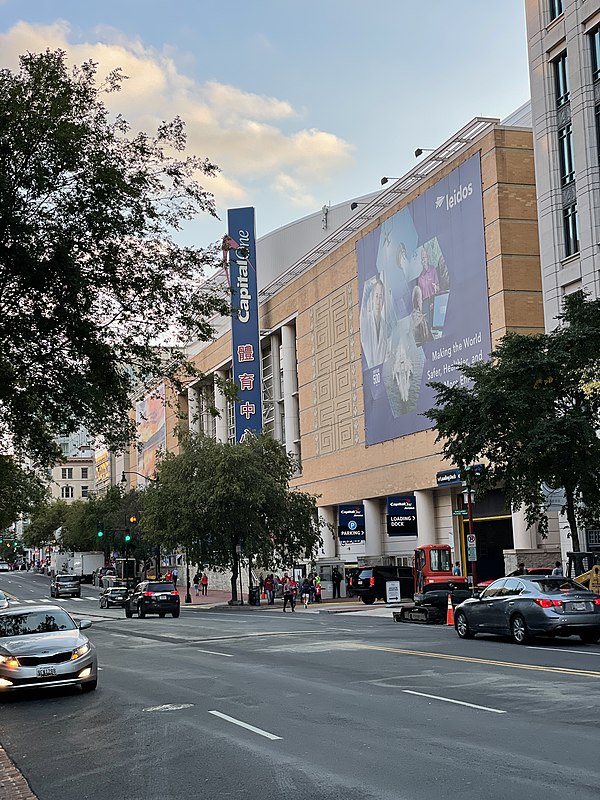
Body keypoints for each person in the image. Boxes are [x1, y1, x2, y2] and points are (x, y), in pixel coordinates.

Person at [362, 275, 391, 368]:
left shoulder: (385, 326)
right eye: (376, 296)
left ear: (383, 301)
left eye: (381, 297)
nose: (378, 301)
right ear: (372, 299)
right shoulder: (366, 321)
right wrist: (369, 285)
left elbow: (387, 354)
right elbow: (362, 308)